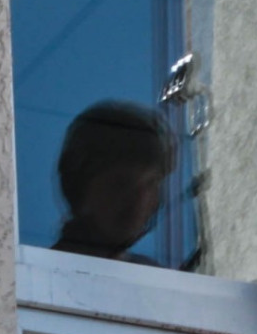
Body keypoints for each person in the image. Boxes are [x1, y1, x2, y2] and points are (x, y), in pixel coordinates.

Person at [51, 100, 177, 260]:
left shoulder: (154, 279)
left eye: (151, 183)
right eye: (122, 185)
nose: (141, 200)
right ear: (80, 188)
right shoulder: (38, 275)